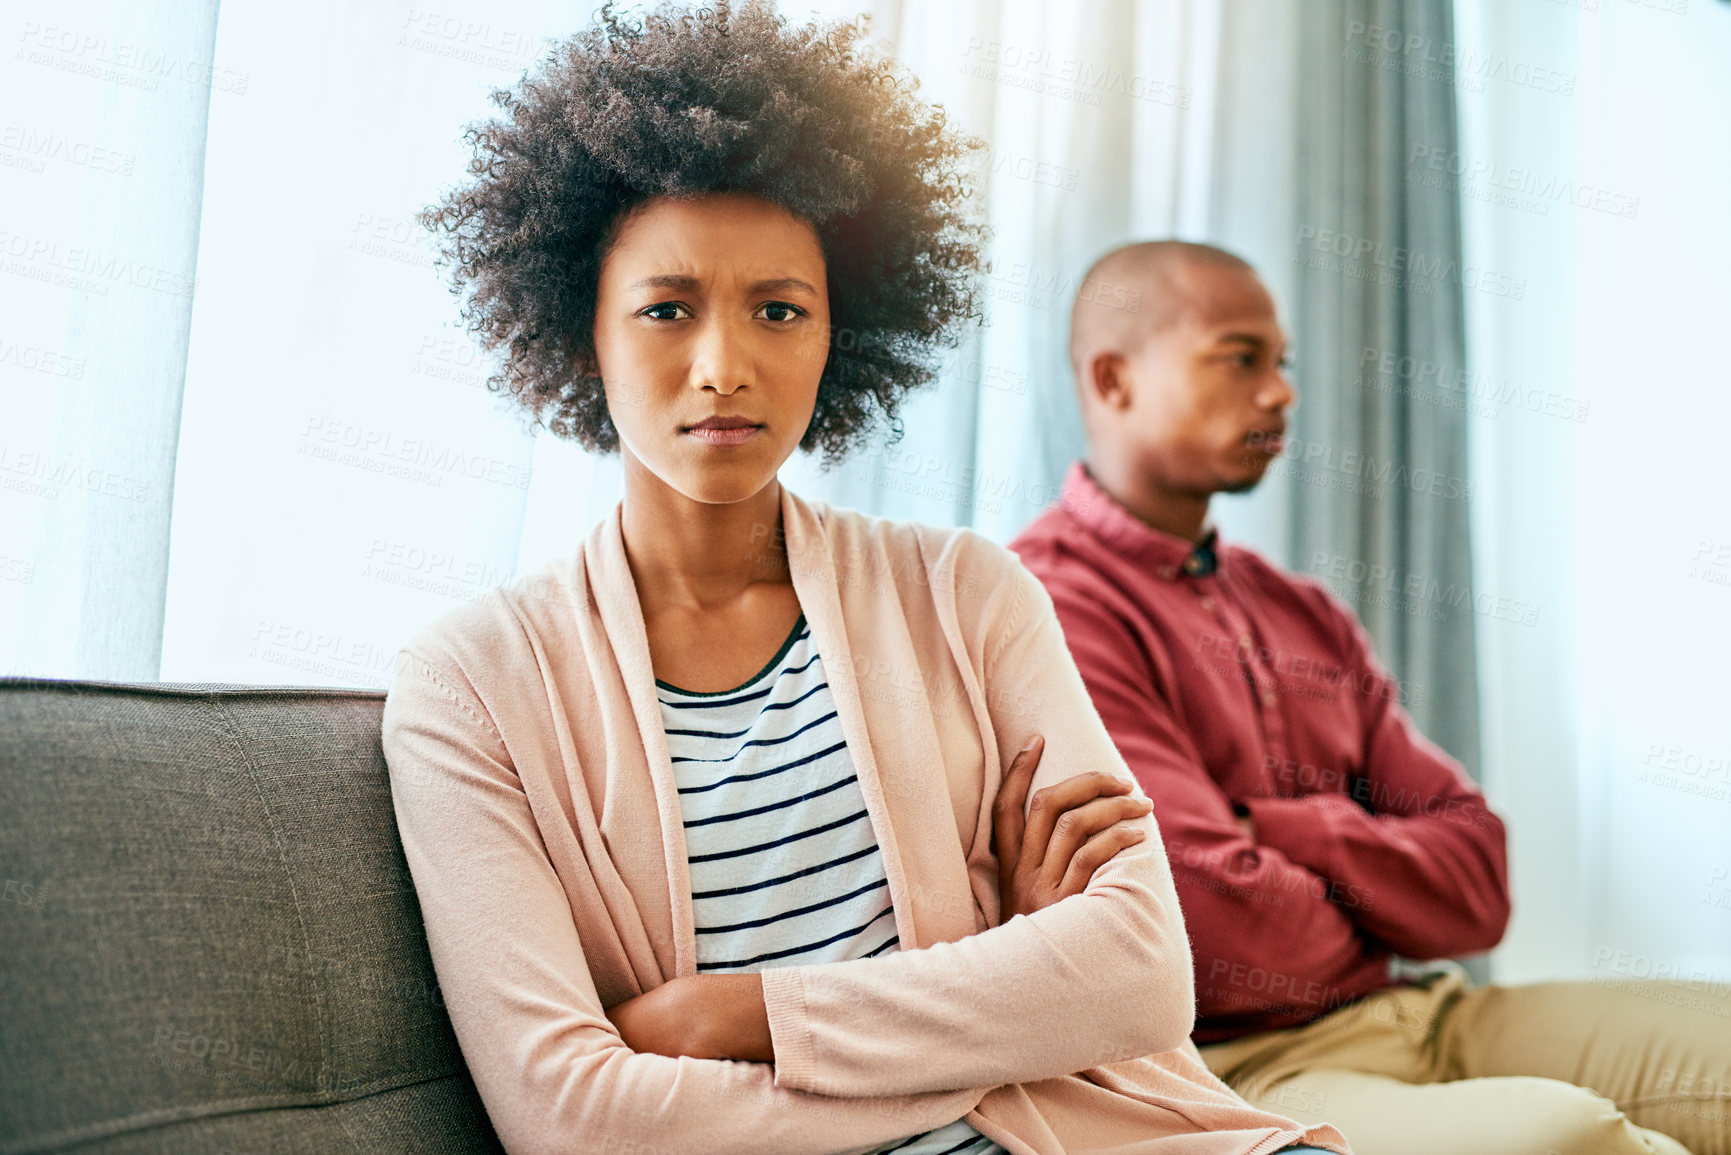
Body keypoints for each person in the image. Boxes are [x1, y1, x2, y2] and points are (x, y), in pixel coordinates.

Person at [381, 6, 1350, 1154]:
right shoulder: (471, 687)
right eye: (665, 309)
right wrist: (1012, 1000)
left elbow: (1140, 977)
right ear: (580, 329)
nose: (724, 365)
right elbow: (576, 1119)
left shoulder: (967, 594)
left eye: (780, 310)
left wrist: (737, 1015)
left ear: (841, 332)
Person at [1008, 239, 1731, 1155]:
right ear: (1112, 380)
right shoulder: (1045, 604)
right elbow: (1212, 931)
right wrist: (1374, 896)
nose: (1281, 394)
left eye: (1282, 363)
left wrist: (1287, 828)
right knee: (1570, 1137)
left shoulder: (1300, 608)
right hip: (1239, 1069)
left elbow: (1477, 881)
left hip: (1424, 1013)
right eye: (1241, 358)